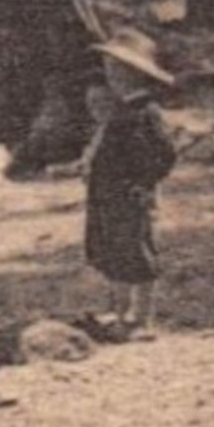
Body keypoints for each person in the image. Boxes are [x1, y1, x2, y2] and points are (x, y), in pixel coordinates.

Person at [83, 28, 177, 341]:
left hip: (132, 194)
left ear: (136, 74)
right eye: (110, 68)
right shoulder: (119, 111)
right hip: (110, 194)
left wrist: (144, 183)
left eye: (120, 70)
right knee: (114, 251)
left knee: (138, 253)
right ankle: (121, 313)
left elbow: (164, 153)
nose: (113, 75)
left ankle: (144, 318)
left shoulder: (146, 113)